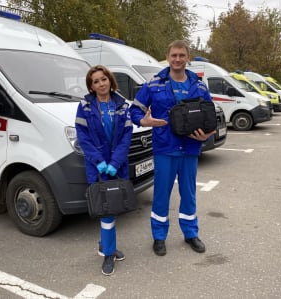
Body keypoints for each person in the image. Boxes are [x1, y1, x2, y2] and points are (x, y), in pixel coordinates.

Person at [129, 40, 215, 256]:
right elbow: (135, 111)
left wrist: (207, 134)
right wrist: (144, 122)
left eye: (182, 55)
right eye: (174, 55)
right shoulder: (154, 84)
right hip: (165, 148)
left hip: (190, 148)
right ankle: (159, 237)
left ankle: (190, 234)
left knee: (189, 193)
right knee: (161, 194)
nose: (177, 59)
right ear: (167, 57)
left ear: (188, 58)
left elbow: (210, 116)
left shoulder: (199, 85)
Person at [75, 65, 133, 275]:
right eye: (95, 81)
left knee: (112, 207)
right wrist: (99, 162)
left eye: (103, 79)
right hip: (97, 167)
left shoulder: (122, 105)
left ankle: (105, 245)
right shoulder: (86, 106)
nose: (100, 84)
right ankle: (108, 253)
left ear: (110, 80)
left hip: (117, 166)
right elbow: (83, 137)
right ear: (91, 86)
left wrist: (115, 162)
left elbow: (127, 136)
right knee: (106, 210)